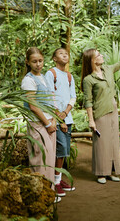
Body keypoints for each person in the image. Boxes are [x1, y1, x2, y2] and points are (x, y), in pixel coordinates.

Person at [81, 38, 120, 184]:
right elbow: (88, 101)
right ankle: (101, 173)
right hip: (100, 113)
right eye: (98, 55)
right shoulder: (88, 79)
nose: (101, 56)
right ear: (92, 60)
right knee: (101, 143)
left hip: (113, 110)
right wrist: (91, 120)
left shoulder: (108, 69)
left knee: (113, 141)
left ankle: (112, 171)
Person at [21, 47, 60, 202]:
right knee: (40, 159)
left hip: (49, 122)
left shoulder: (44, 77)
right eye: (34, 61)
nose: (38, 64)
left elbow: (51, 100)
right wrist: (46, 123)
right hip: (38, 123)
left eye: (40, 61)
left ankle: (49, 192)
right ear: (28, 62)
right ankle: (40, 194)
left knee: (50, 159)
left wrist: (54, 120)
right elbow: (33, 106)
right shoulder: (28, 80)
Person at [45, 48, 76, 198]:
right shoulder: (51, 74)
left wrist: (66, 113)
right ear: (54, 58)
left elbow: (73, 97)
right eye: (60, 53)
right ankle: (54, 182)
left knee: (64, 151)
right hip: (55, 119)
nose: (65, 55)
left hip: (67, 118)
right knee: (60, 148)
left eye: (66, 53)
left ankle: (58, 179)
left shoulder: (69, 76)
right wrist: (59, 118)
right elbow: (50, 97)